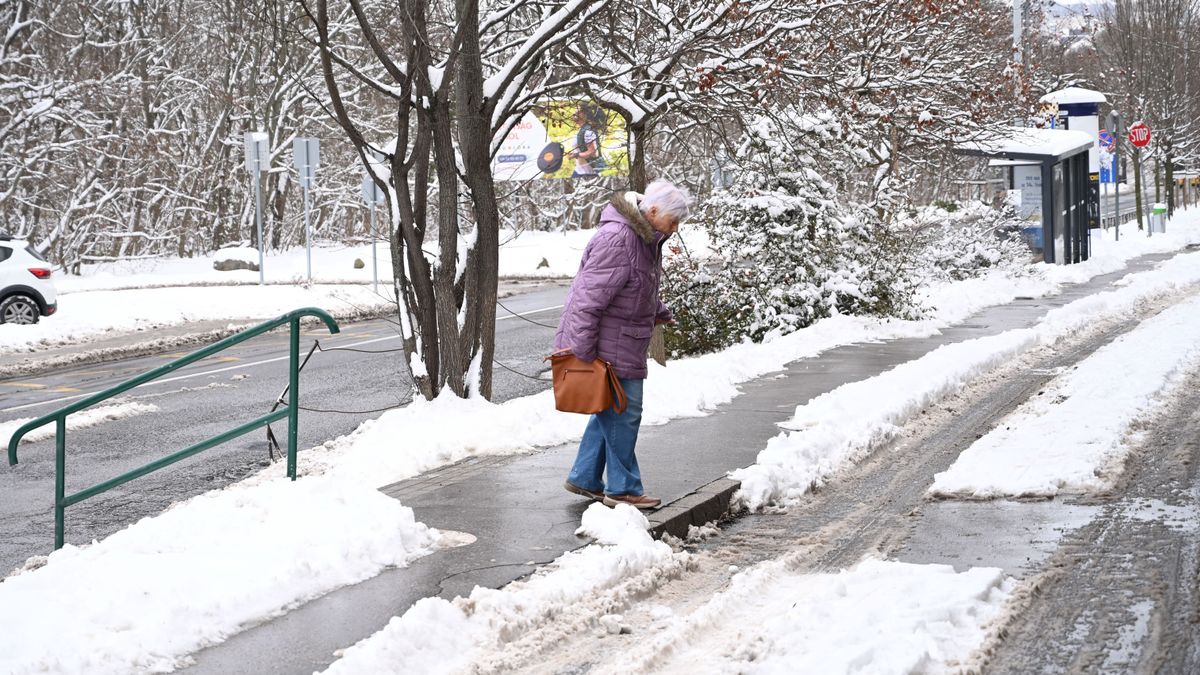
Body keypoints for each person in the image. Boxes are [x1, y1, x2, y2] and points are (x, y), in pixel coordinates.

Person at [555, 180, 691, 509]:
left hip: (620, 341)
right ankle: (623, 488)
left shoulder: (643, 239)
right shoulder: (619, 238)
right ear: (653, 210)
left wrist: (657, 311)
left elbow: (632, 286)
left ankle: (585, 477)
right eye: (672, 222)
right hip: (606, 345)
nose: (674, 230)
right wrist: (583, 352)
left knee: (609, 410)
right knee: (623, 414)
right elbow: (588, 300)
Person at [566, 105, 607, 178]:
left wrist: (575, 155)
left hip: (589, 173)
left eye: (578, 111)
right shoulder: (583, 129)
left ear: (585, 114)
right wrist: (574, 153)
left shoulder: (588, 131)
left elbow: (591, 152)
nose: (575, 113)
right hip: (579, 170)